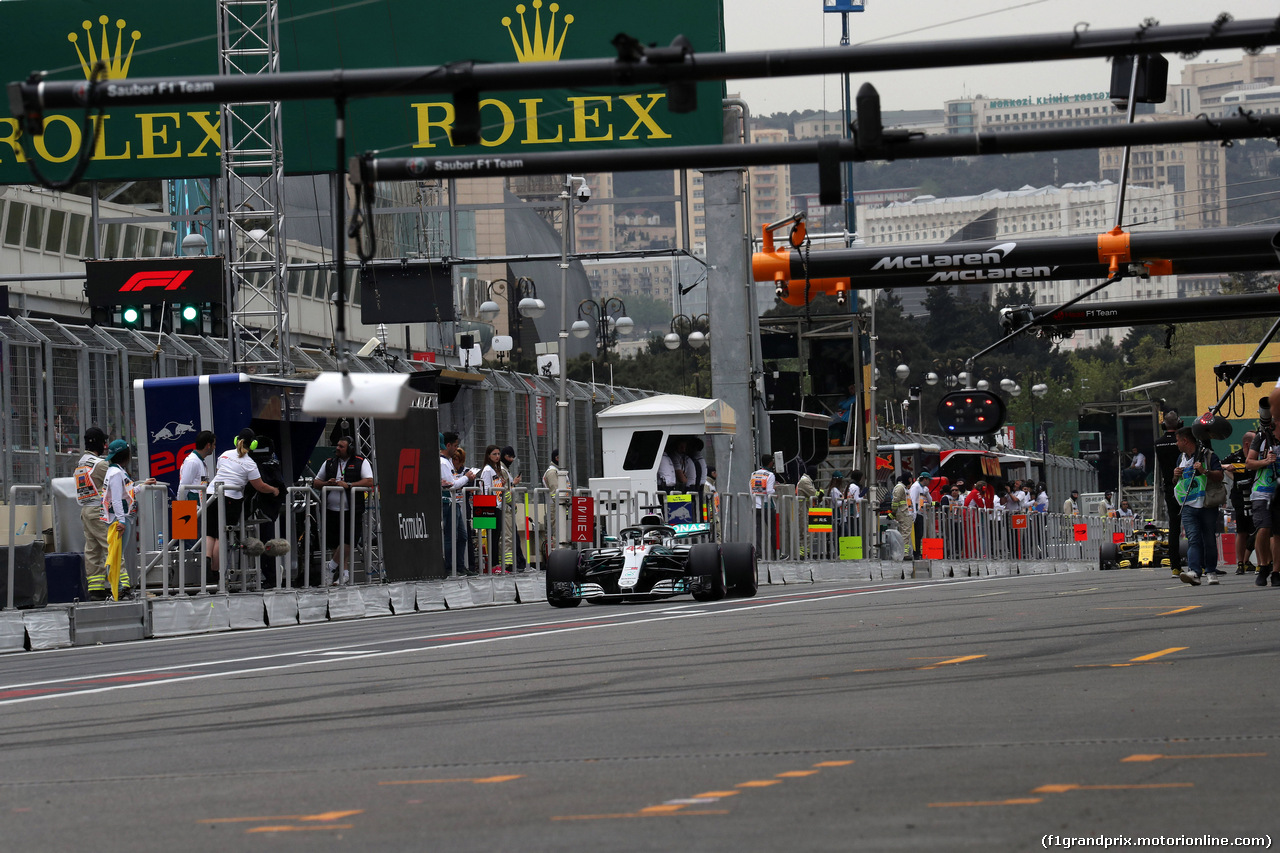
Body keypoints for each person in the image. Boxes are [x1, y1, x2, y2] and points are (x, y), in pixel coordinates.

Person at [205, 428, 280, 580]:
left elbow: (221, 472)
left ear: (236, 440)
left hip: (211, 495)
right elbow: (260, 486)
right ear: (253, 445)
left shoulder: (224, 454)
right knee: (221, 536)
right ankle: (215, 573)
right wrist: (274, 490)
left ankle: (206, 561)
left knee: (210, 533)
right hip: (231, 498)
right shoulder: (250, 464)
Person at [312, 436, 374, 585]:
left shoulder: (360, 462)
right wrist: (327, 483)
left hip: (351, 509)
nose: (337, 449)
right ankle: (343, 574)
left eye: (341, 446)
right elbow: (316, 482)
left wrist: (349, 485)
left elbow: (369, 481)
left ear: (350, 449)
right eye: (337, 445)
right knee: (335, 544)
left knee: (349, 540)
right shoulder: (329, 463)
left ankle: (331, 566)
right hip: (331, 509)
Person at [99, 440, 154, 601]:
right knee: (116, 555)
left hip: (118, 517)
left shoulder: (115, 471)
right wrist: (122, 521)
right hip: (119, 518)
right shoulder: (116, 473)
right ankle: (118, 590)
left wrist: (142, 485)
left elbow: (125, 493)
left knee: (116, 554)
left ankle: (119, 589)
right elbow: (116, 499)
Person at [1174, 425, 1223, 587]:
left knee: (1208, 538)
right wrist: (1175, 476)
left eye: (1178, 440)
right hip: (1188, 505)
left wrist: (1204, 471)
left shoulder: (1208, 455)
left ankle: (1210, 571)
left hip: (1207, 504)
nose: (1177, 444)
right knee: (1193, 538)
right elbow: (1176, 482)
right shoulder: (1180, 458)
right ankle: (1194, 571)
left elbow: (1219, 475)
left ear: (1185, 440)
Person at [74, 427, 112, 600]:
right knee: (110, 546)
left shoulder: (82, 462)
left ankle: (96, 589)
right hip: (98, 510)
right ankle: (120, 586)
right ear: (99, 443)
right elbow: (117, 481)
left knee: (92, 550)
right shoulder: (100, 464)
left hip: (86, 510)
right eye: (104, 442)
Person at [1245, 418, 1280, 587]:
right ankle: (1263, 566)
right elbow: (1249, 463)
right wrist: (1265, 461)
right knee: (1264, 528)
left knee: (1278, 534)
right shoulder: (1261, 438)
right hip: (1261, 492)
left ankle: (1276, 571)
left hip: (1278, 493)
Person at [440, 432, 477, 575]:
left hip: (454, 502)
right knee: (451, 536)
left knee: (462, 536)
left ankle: (460, 566)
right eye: (455, 446)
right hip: (448, 502)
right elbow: (452, 485)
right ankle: (450, 567)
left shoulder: (447, 462)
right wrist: (466, 478)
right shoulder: (443, 462)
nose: (456, 449)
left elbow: (452, 483)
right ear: (448, 445)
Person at [1153, 410, 1184, 577]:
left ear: (1164, 425)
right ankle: (1199, 565)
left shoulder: (1159, 443)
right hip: (1186, 485)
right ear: (1179, 424)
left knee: (1174, 526)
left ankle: (1175, 566)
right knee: (1193, 524)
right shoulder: (1183, 442)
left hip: (1169, 487)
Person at [1223, 430, 1257, 576]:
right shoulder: (1236, 456)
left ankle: (1256, 562)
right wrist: (1231, 473)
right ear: (1247, 444)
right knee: (1241, 531)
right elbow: (1221, 465)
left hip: (1256, 495)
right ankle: (1240, 563)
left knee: (1258, 529)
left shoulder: (1258, 456)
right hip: (1240, 496)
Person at [499, 445, 527, 572]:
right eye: (509, 457)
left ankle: (512, 563)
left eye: (512, 457)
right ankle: (508, 564)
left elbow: (507, 487)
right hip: (505, 507)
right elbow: (504, 491)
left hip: (507, 508)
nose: (511, 460)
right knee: (507, 536)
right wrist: (511, 504)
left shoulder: (505, 470)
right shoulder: (502, 470)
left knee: (510, 536)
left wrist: (513, 483)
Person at [177, 430, 216, 502]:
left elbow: (203, 482)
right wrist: (180, 508)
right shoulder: (192, 461)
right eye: (213, 444)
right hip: (193, 506)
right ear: (208, 445)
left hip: (200, 504)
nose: (214, 447)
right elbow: (183, 487)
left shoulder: (200, 460)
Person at [750, 455, 776, 554]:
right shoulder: (770, 475)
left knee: (758, 531)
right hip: (767, 506)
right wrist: (775, 489)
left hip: (755, 506)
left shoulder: (754, 474)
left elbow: (751, 490)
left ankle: (758, 553)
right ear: (770, 463)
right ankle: (777, 553)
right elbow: (769, 491)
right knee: (773, 530)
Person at [907, 473, 932, 559]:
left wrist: (927, 493)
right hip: (916, 514)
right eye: (929, 480)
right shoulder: (916, 487)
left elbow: (930, 501)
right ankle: (916, 552)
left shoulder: (923, 488)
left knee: (920, 534)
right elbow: (913, 500)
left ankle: (918, 552)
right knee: (917, 535)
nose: (930, 482)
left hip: (921, 513)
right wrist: (913, 514)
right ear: (924, 479)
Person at [891, 474, 913, 561]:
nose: (911, 480)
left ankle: (904, 552)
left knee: (905, 532)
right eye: (910, 478)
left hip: (905, 512)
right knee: (905, 533)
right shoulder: (900, 487)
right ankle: (904, 553)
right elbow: (895, 501)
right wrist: (893, 512)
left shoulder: (903, 487)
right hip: (903, 513)